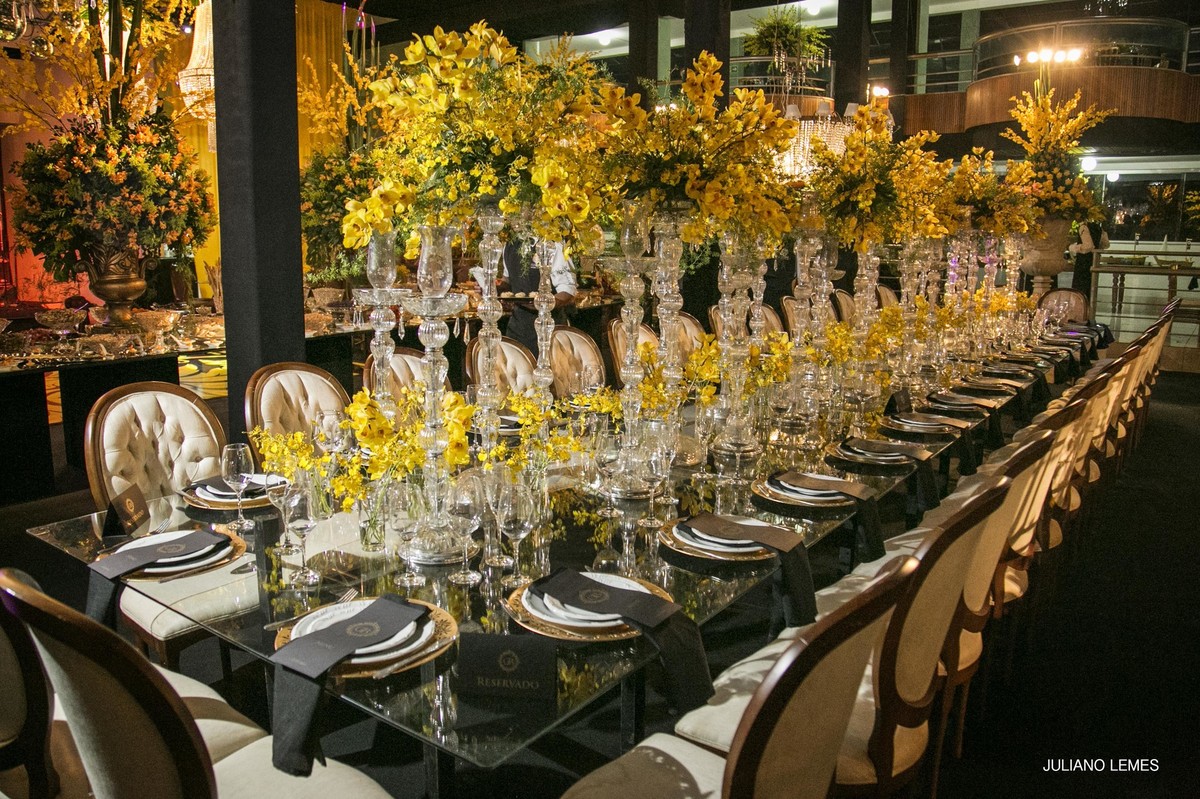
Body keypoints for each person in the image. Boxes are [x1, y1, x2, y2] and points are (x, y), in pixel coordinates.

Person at [494, 240, 576, 357]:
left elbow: (568, 290)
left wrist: (546, 303)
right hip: (516, 330)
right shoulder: (509, 244)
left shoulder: (553, 244)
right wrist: (491, 288)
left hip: (549, 332)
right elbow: (508, 280)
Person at [1068, 217, 1109, 299]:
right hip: (1093, 261)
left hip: (1083, 263)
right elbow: (1106, 244)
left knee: (1080, 290)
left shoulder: (1083, 227)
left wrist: (1072, 247)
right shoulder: (1099, 228)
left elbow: (1088, 246)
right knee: (1090, 290)